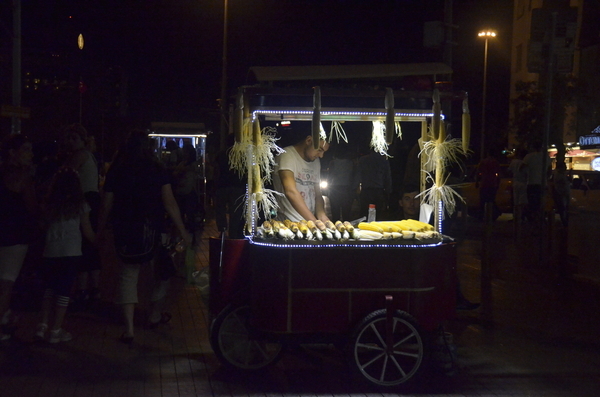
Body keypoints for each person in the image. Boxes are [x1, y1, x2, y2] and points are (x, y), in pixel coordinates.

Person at [99, 130, 192, 344]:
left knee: (128, 275)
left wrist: (101, 228)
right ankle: (154, 314)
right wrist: (183, 231)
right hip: (154, 228)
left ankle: (129, 329)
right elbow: (169, 202)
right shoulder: (157, 168)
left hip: (124, 229)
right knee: (160, 272)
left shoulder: (117, 169)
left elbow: (107, 204)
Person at [34, 167, 96, 343]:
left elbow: (42, 226)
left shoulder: (50, 204)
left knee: (49, 289)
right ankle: (56, 329)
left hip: (50, 251)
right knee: (64, 291)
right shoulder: (80, 205)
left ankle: (42, 326)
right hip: (70, 252)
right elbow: (87, 231)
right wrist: (98, 241)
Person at [60, 124, 102, 309]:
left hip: (83, 200)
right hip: (92, 200)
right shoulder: (89, 155)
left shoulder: (79, 155)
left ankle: (82, 290)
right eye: (68, 138)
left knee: (83, 244)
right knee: (91, 245)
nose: (70, 142)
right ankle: (94, 289)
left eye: (74, 138)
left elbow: (64, 177)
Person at [0, 134, 37, 340]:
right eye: (26, 149)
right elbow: (32, 208)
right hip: (15, 236)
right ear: (13, 153)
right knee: (6, 283)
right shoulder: (23, 177)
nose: (30, 154)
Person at [272, 132, 330, 222]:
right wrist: (314, 221)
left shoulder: (315, 161)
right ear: (309, 140)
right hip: (288, 221)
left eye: (324, 152)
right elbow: (290, 192)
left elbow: (317, 194)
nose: (321, 156)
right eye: (319, 149)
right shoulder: (286, 155)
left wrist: (323, 218)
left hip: (308, 222)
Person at [214, 134, 246, 238]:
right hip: (237, 185)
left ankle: (222, 230)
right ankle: (234, 232)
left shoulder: (221, 154)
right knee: (235, 211)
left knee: (220, 208)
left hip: (222, 185)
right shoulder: (241, 154)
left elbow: (217, 170)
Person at [356, 148, 392, 220]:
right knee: (378, 214)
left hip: (366, 190)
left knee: (364, 214)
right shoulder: (383, 161)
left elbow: (358, 175)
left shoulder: (363, 160)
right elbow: (387, 177)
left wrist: (356, 189)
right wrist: (388, 191)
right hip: (378, 191)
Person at [520, 141, 550, 223]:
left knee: (532, 202)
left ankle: (532, 219)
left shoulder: (529, 157)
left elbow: (521, 168)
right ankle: (540, 219)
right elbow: (549, 170)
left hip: (532, 182)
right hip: (543, 184)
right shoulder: (546, 157)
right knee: (541, 202)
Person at [327, 144, 356, 221]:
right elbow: (353, 177)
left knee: (335, 212)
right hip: (346, 188)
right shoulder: (351, 163)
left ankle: (336, 229)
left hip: (335, 188)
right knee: (346, 213)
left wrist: (328, 189)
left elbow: (330, 176)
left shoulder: (333, 162)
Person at [476, 149, 501, 218]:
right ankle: (492, 214)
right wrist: (498, 184)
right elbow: (498, 174)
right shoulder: (496, 162)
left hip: (484, 183)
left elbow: (478, 172)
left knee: (483, 200)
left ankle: (482, 215)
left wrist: (477, 182)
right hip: (492, 183)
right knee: (491, 200)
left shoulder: (483, 162)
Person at [508, 148, 528, 222]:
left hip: (516, 182)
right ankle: (521, 216)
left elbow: (509, 171)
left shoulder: (514, 162)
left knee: (516, 201)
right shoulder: (525, 162)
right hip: (524, 182)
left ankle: (516, 216)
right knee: (522, 201)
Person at [551, 161, 570, 227]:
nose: (565, 168)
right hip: (561, 194)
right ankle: (564, 223)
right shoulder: (559, 175)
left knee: (564, 209)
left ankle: (564, 222)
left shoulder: (560, 174)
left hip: (563, 193)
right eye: (564, 166)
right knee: (563, 209)